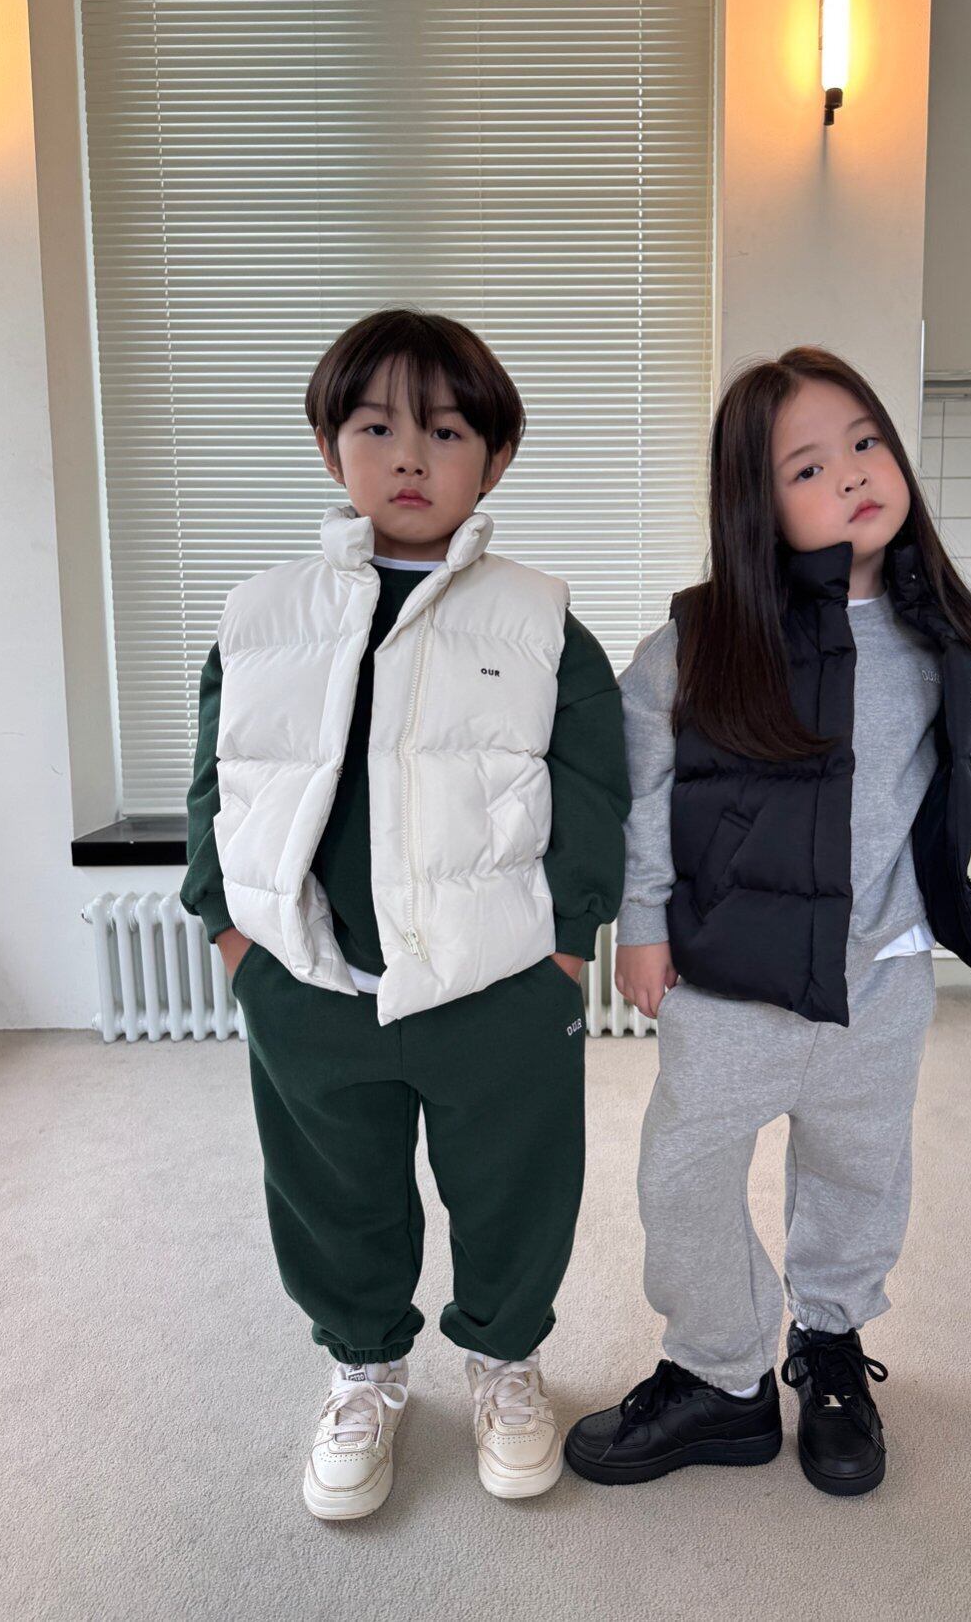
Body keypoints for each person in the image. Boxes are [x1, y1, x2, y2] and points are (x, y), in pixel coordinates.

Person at [179, 308, 630, 1519]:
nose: (410, 457)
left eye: (445, 431)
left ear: (494, 457)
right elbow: (219, 780)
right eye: (376, 427)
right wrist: (232, 933)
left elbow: (594, 796)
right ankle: (364, 1369)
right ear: (330, 448)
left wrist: (561, 951)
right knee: (333, 1188)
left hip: (499, 987)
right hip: (311, 982)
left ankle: (504, 1359)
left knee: (516, 1186)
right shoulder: (260, 616)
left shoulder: (542, 624)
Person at [564, 346, 971, 1497]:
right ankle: (718, 1370)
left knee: (858, 1167)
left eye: (864, 443)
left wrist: (924, 887)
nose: (852, 472)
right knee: (682, 1171)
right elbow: (644, 791)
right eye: (807, 466)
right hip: (732, 979)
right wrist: (643, 922)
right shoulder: (697, 643)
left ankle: (827, 1345)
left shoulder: (940, 638)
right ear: (754, 504)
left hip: (879, 978)